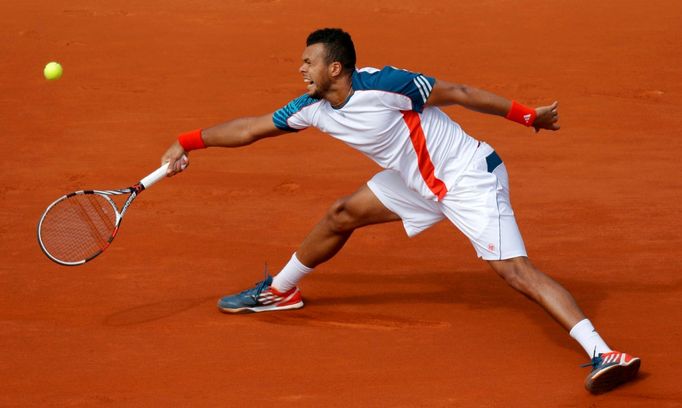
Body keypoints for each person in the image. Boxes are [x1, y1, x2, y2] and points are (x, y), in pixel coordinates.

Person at [160, 28, 640, 394]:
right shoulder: (311, 108)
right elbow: (249, 129)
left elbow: (462, 93)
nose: (300, 70)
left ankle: (605, 352)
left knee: (514, 271)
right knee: (341, 214)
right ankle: (280, 292)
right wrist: (185, 144)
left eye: (309, 62)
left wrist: (529, 116)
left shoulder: (386, 84)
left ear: (336, 68)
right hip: (416, 181)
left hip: (468, 176)